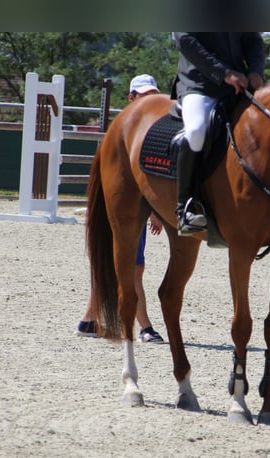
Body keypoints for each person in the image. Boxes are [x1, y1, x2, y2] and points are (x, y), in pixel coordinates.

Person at [77, 74, 165, 343]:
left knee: (115, 264)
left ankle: (89, 319)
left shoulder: (142, 130)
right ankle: (145, 327)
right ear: (132, 98)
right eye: (144, 96)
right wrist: (153, 211)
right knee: (133, 268)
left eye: (153, 95)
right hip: (124, 210)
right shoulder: (127, 132)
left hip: (128, 209)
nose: (150, 101)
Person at [171, 33, 265, 235]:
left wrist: (256, 70)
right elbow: (184, 39)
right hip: (200, 84)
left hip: (240, 84)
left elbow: (252, 39)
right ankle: (185, 208)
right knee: (196, 131)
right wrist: (223, 73)